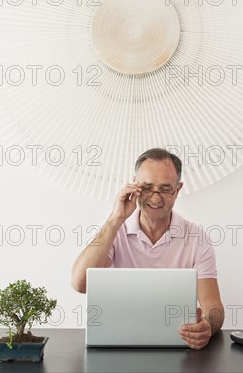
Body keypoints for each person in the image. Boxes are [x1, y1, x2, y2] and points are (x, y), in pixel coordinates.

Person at [71, 148, 224, 350]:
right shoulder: (114, 229)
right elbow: (79, 284)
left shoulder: (197, 238)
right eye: (147, 187)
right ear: (135, 186)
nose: (155, 198)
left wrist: (208, 326)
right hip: (119, 342)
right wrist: (116, 218)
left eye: (165, 188)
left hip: (178, 344)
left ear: (177, 190)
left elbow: (213, 307)